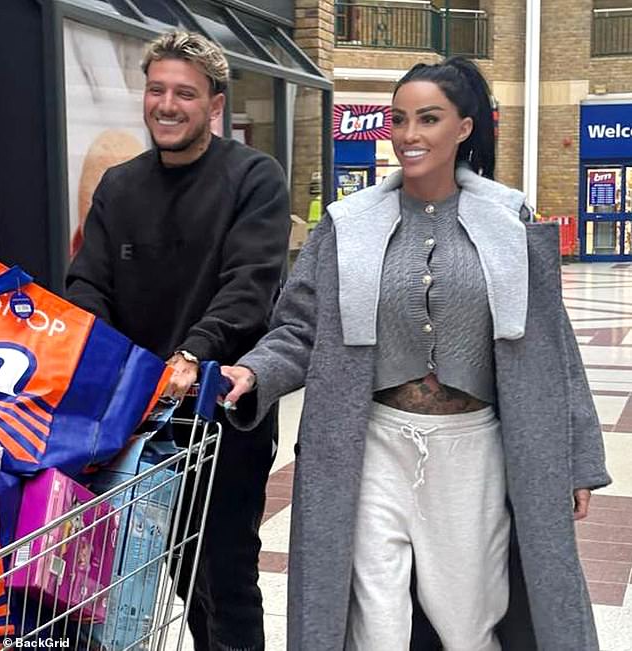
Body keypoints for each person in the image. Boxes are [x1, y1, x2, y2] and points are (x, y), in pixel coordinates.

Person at [221, 57, 611, 651]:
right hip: (371, 444)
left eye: (428, 119)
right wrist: (255, 371)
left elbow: (551, 345)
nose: (408, 135)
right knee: (373, 621)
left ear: (464, 127)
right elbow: (300, 328)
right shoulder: (346, 225)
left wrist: (580, 456)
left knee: (469, 619)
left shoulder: (510, 222)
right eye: (398, 119)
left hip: (472, 448)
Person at [66, 31, 291, 651]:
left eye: (185, 94)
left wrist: (191, 354)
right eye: (157, 89)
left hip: (219, 420)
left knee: (228, 577)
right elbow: (88, 283)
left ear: (214, 105)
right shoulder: (120, 186)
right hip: (137, 421)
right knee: (173, 570)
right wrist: (113, 365)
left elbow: (250, 287)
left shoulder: (254, 179)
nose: (167, 105)